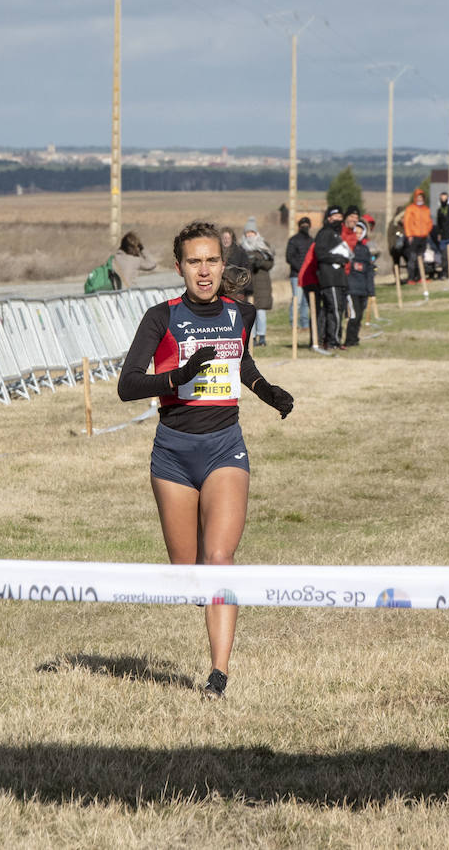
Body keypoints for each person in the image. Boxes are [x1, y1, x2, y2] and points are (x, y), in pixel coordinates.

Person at [116, 221, 294, 700]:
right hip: (173, 453)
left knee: (220, 560)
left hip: (224, 446)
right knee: (190, 574)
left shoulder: (241, 313)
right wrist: (177, 377)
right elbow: (127, 385)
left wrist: (265, 390)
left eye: (211, 260)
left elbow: (242, 362)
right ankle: (201, 589)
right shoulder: (160, 317)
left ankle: (218, 674)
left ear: (223, 263)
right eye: (194, 261)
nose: (204, 270)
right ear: (179, 267)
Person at [313, 206, 350, 349]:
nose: (338, 219)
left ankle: (329, 339)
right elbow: (320, 254)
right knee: (334, 309)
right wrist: (337, 258)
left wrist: (344, 258)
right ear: (329, 218)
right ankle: (333, 341)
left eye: (341, 217)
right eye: (335, 216)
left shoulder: (337, 235)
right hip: (329, 278)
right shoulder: (325, 233)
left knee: (335, 309)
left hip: (339, 278)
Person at [241, 217, 274, 347]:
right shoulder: (242, 248)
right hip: (248, 284)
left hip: (262, 285)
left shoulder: (264, 246)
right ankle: (252, 337)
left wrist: (260, 263)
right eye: (247, 233)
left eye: (252, 232)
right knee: (250, 313)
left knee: (261, 312)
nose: (250, 235)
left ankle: (262, 336)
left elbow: (270, 263)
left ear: (256, 233)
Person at [344, 211, 375, 346]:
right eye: (355, 231)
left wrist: (371, 291)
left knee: (359, 317)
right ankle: (349, 339)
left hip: (363, 288)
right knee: (353, 316)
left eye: (360, 231)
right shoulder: (348, 247)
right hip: (351, 288)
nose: (357, 234)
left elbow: (369, 271)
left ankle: (355, 338)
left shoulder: (365, 250)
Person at [285, 216, 313, 332]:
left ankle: (305, 324)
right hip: (296, 275)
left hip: (308, 275)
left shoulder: (312, 240)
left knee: (306, 302)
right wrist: (301, 269)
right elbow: (289, 257)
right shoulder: (293, 240)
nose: (305, 227)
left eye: (307, 225)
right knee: (297, 300)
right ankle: (294, 324)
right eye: (303, 225)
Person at [401, 189, 432, 284]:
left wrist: (427, 231)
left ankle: (420, 277)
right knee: (412, 258)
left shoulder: (426, 209)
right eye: (418, 197)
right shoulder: (410, 209)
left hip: (423, 237)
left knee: (421, 258)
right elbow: (407, 222)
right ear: (415, 198)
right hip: (414, 236)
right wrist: (409, 235)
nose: (420, 199)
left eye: (421, 197)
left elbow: (429, 222)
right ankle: (411, 278)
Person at [219, 226, 250, 303]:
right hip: (220, 290)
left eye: (228, 238)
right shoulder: (217, 253)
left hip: (236, 290)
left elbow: (245, 273)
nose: (226, 240)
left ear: (232, 239)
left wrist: (241, 291)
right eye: (224, 238)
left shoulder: (240, 252)